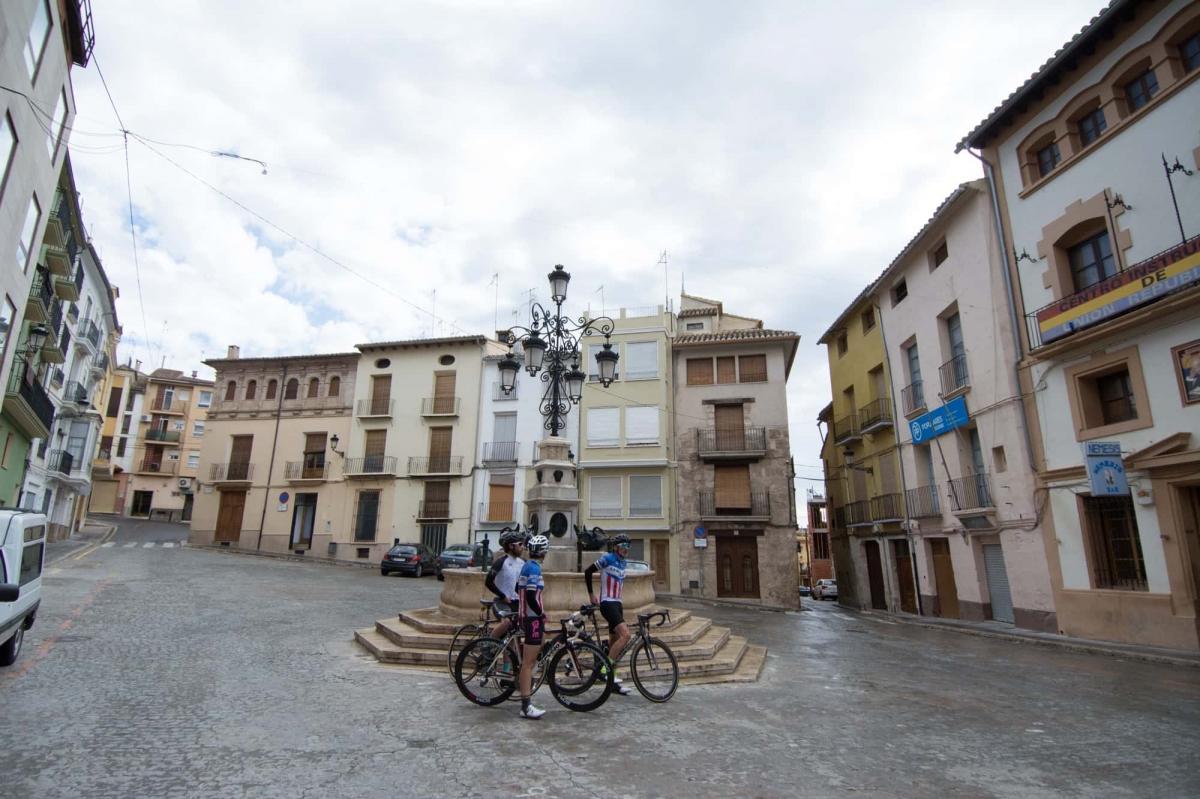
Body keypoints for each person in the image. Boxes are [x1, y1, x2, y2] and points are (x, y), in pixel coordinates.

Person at [584, 533, 633, 696]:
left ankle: (613, 683)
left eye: (628, 546)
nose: (626, 549)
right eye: (624, 546)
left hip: (618, 604)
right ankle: (605, 670)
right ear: (615, 547)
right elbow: (588, 571)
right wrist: (591, 594)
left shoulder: (623, 562)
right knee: (626, 636)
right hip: (607, 603)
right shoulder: (607, 558)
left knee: (614, 645)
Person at [516, 535, 550, 719]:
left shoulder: (526, 565)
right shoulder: (534, 569)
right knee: (528, 663)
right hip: (532, 619)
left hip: (526, 616)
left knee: (542, 643)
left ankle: (526, 679)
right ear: (544, 552)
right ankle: (526, 706)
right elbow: (530, 596)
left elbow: (517, 588)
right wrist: (541, 614)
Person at [483, 530, 526, 642]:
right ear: (511, 546)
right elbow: (488, 582)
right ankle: (487, 644)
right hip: (501, 602)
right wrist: (502, 596)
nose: (523, 547)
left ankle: (508, 660)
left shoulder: (523, 563)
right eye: (520, 544)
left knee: (512, 637)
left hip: (517, 603)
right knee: (507, 623)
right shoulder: (501, 561)